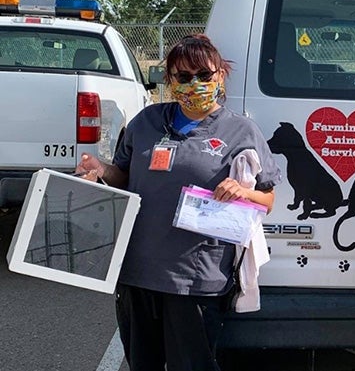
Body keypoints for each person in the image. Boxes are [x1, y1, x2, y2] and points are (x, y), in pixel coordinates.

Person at [75, 34, 281, 371]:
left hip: (195, 279)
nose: (194, 84)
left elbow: (268, 198)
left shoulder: (241, 131)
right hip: (138, 274)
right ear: (169, 81)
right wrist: (101, 171)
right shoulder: (147, 122)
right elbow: (124, 176)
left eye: (203, 75)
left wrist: (245, 193)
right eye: (183, 77)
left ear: (220, 76)